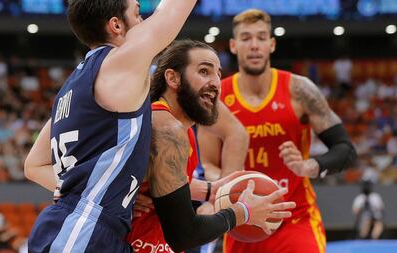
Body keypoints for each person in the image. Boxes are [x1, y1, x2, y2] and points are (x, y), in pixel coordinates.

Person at [23, 0, 200, 252]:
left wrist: (103, 193)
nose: (143, 24)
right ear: (116, 25)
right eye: (138, 15)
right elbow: (173, 9)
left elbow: (34, 165)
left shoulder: (70, 88)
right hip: (82, 232)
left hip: (73, 225)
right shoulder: (119, 63)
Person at [199, 9, 357, 253]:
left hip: (295, 217)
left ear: (271, 44)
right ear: (233, 45)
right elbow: (208, 164)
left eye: (261, 38)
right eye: (246, 38)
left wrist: (309, 166)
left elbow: (346, 150)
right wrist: (221, 190)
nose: (254, 45)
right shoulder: (218, 97)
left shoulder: (300, 90)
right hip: (244, 219)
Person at [126, 40, 296, 253]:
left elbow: (161, 184)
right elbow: (185, 235)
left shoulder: (181, 127)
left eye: (218, 74)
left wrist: (211, 191)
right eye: (204, 71)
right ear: (172, 78)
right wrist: (244, 212)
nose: (216, 82)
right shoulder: (167, 128)